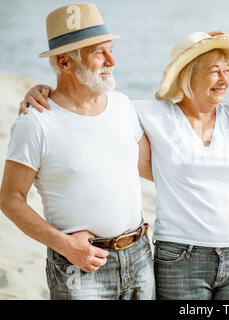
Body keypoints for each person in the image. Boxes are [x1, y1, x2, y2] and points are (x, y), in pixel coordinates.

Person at [20, 31, 229, 299]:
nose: (224, 79)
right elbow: (88, 103)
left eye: (227, 70)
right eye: (214, 71)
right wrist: (45, 91)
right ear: (188, 75)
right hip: (180, 257)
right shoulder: (149, 113)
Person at [0, 4, 155, 300]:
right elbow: (10, 199)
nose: (112, 61)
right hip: (80, 266)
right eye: (99, 53)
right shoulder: (35, 123)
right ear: (65, 62)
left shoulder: (123, 105)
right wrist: (66, 245)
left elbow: (148, 165)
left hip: (139, 256)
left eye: (111, 50)